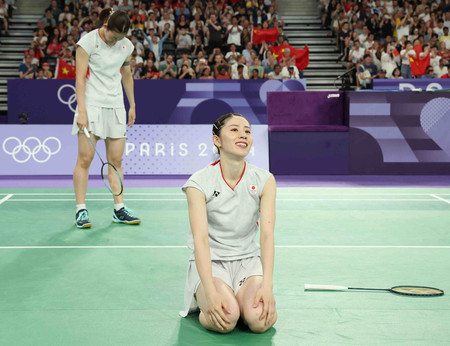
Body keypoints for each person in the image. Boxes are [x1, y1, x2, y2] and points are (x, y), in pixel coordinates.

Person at [180, 113, 277, 334]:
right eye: (234, 129)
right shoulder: (198, 183)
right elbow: (200, 240)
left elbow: (267, 235)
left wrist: (268, 286)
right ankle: (208, 298)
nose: (243, 134)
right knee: (226, 319)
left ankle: (240, 301)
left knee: (260, 321)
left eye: (247, 130)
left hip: (247, 261)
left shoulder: (265, 179)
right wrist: (210, 291)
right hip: (211, 263)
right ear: (217, 140)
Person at [72, 8, 141, 229]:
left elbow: (127, 74)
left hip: (115, 106)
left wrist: (132, 104)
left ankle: (119, 209)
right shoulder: (87, 42)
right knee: (85, 160)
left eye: (121, 37)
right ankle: (81, 209)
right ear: (105, 26)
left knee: (116, 161)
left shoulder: (126, 45)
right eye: (114, 36)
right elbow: (80, 79)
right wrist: (81, 110)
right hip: (91, 105)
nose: (117, 41)